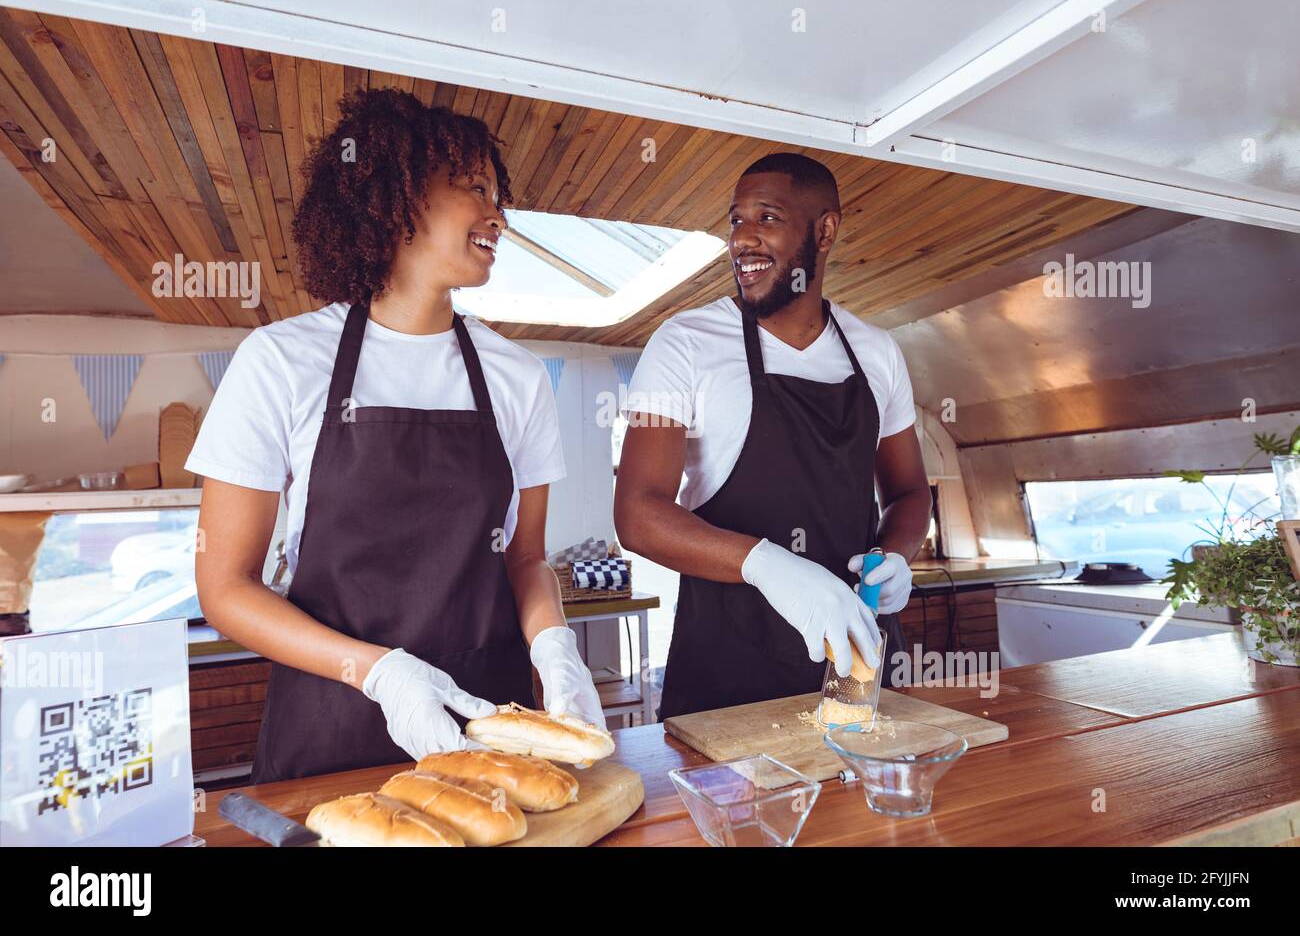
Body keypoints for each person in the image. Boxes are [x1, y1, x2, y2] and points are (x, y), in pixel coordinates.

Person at [189, 89, 604, 783]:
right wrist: (379, 672)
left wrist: (556, 651)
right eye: (474, 187)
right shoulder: (282, 361)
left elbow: (525, 560)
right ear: (399, 194)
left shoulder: (518, 377)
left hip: (489, 730)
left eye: (498, 196)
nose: (498, 216)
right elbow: (225, 586)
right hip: (330, 732)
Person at [614, 152, 932, 719]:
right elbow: (637, 514)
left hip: (856, 661)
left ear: (824, 229)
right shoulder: (685, 343)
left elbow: (909, 492)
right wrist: (771, 566)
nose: (742, 240)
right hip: (727, 666)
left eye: (767, 218)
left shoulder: (877, 352)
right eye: (736, 221)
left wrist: (895, 557)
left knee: (867, 800)